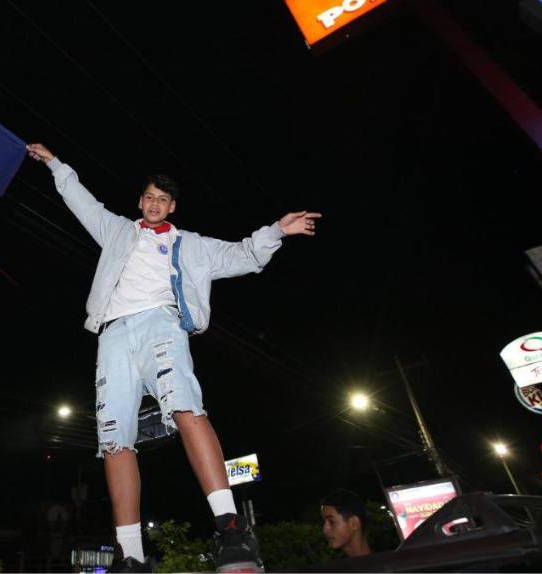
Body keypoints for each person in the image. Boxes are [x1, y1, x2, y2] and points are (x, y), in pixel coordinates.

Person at [27, 143, 321, 573]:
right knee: (113, 440)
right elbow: (80, 201)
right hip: (112, 336)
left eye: (162, 200)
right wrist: (55, 164)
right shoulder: (117, 231)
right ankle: (130, 555)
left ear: (172, 207)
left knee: (185, 407)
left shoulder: (193, 246)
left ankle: (230, 526)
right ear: (140, 201)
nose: (154, 204)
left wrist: (277, 229)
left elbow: (242, 254)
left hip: (160, 326)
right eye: (148, 197)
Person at [320, 489, 373, 559]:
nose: (325, 530)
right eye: (324, 522)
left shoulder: (385, 566)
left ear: (354, 523)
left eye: (331, 522)